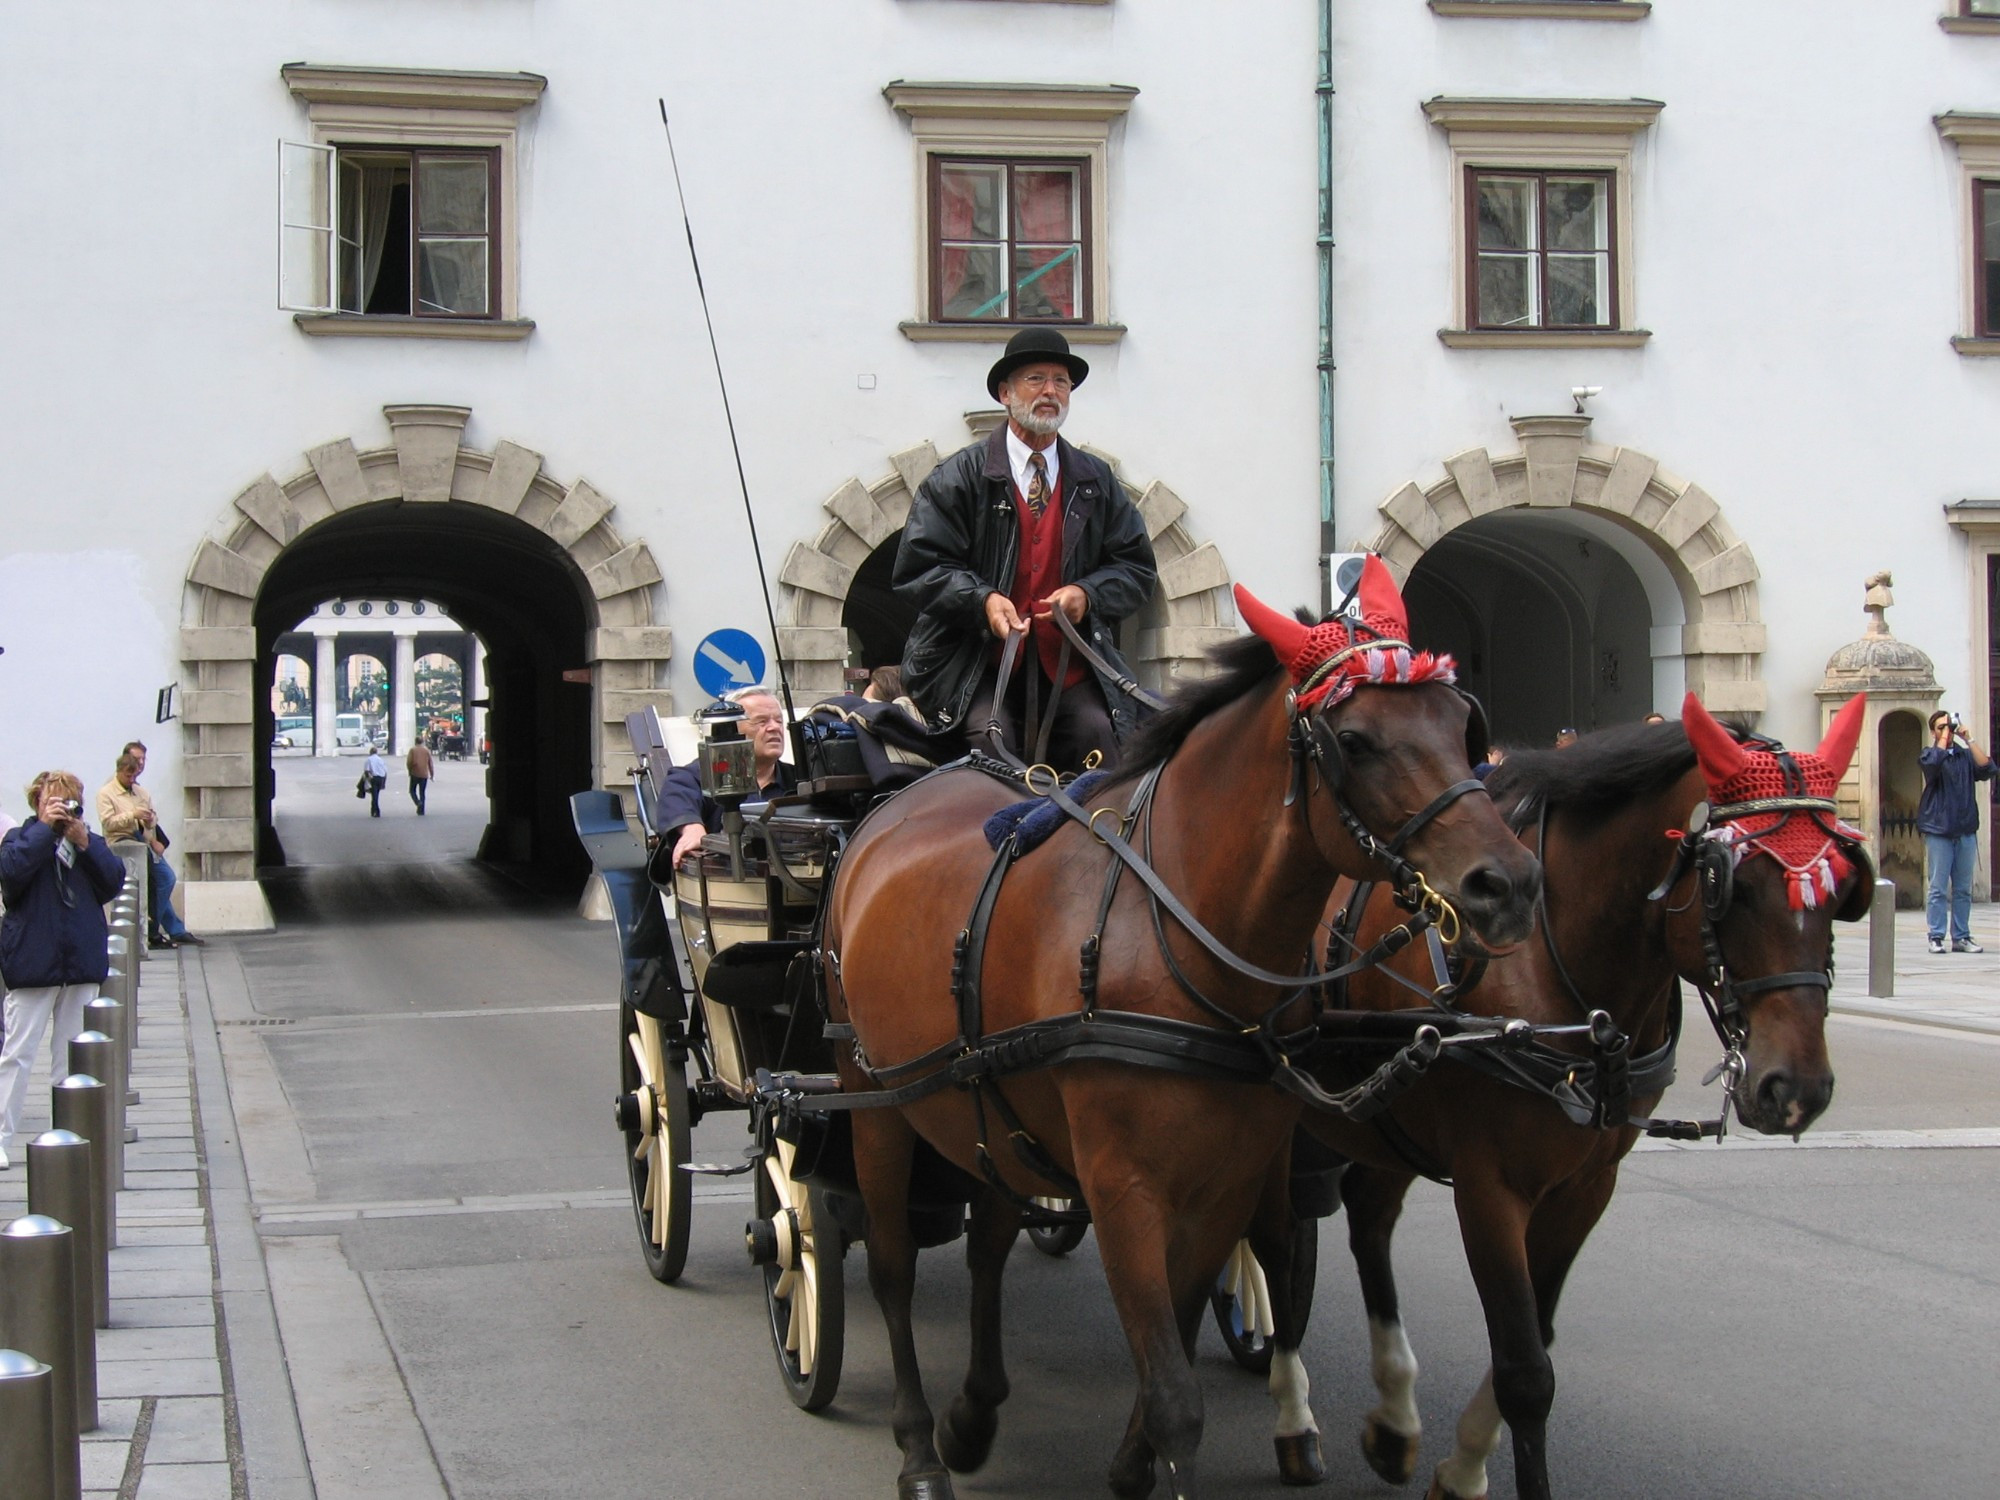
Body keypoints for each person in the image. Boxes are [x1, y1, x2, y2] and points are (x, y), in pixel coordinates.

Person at [893, 327, 1157, 771]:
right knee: (990, 747)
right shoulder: (957, 478)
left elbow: (1136, 568)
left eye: (1061, 381)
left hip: (1067, 666)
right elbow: (919, 568)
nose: (1050, 392)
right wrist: (983, 601)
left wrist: (1087, 595)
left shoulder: (1096, 480)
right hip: (972, 666)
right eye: (1036, 379)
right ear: (1005, 392)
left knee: (1103, 738)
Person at [0, 772, 127, 1168]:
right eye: (53, 801)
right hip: (33, 963)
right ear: (37, 802)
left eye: (68, 802)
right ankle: (1, 1136)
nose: (61, 809)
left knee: (72, 1056)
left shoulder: (86, 842)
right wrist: (43, 830)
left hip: (80, 960)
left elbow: (112, 883)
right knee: (17, 1054)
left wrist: (85, 843)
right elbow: (11, 876)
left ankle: (70, 1133)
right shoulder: (19, 839)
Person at [658, 688, 798, 866]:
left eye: (778, 721)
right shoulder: (699, 775)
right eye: (761, 722)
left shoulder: (799, 779)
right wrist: (691, 829)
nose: (774, 728)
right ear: (733, 729)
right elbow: (677, 794)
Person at [97, 742, 203, 950]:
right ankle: (157, 930)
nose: (133, 778)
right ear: (121, 769)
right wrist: (132, 816)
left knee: (166, 879)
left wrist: (149, 822)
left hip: (144, 840)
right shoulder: (107, 792)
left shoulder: (140, 792)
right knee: (155, 882)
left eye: (142, 763)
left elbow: (152, 818)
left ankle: (166, 927)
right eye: (130, 773)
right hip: (123, 841)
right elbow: (108, 822)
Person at [1918, 709, 1994, 955]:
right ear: (1932, 732)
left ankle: (1961, 936)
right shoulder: (1930, 754)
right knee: (1938, 887)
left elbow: (1988, 768)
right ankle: (1936, 935)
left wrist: (1968, 738)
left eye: (1947, 726)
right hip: (1939, 829)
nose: (1946, 731)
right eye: (1940, 727)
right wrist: (1943, 739)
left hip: (1965, 830)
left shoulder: (1963, 756)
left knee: (1963, 889)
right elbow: (1931, 767)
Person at [406, 740, 434, 816]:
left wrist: (409, 770)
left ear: (415, 742)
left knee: (412, 790)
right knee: (422, 792)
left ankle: (418, 802)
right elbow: (430, 763)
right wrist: (432, 774)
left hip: (415, 773)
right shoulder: (426, 750)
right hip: (424, 774)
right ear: (422, 742)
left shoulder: (412, 750)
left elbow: (409, 762)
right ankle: (421, 810)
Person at [363, 747, 389, 817]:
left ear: (370, 752)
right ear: (376, 752)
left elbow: (366, 771)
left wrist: (367, 780)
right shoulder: (381, 760)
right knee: (376, 794)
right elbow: (385, 771)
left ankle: (376, 810)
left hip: (373, 778)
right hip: (381, 778)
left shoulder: (369, 759)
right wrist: (384, 783)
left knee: (374, 796)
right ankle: (373, 810)